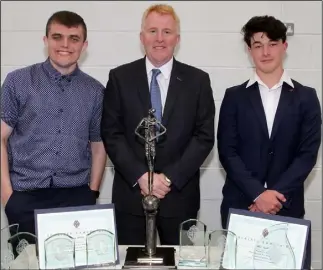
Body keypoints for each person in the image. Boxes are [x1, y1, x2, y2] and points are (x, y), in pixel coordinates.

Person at [101, 4, 215, 245]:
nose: (159, 38)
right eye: (152, 31)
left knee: (181, 262)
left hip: (179, 197)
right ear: (142, 37)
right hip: (132, 196)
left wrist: (169, 178)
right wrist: (142, 176)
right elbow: (112, 134)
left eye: (167, 31)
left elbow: (203, 137)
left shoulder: (198, 81)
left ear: (177, 38)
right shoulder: (120, 78)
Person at [1, 10, 107, 236]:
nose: (65, 45)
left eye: (74, 38)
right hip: (25, 196)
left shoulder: (95, 91)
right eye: (57, 37)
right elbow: (0, 138)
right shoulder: (18, 82)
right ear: (45, 40)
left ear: (84, 45)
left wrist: (92, 193)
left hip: (76, 197)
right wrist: (8, 197)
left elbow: (98, 146)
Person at [217, 15, 321, 229]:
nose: (265, 52)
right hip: (241, 204)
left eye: (272, 44)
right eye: (258, 45)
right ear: (249, 50)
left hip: (286, 205)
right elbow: (228, 152)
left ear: (284, 46)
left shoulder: (307, 97)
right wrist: (257, 194)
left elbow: (307, 154)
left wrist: (272, 198)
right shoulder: (234, 96)